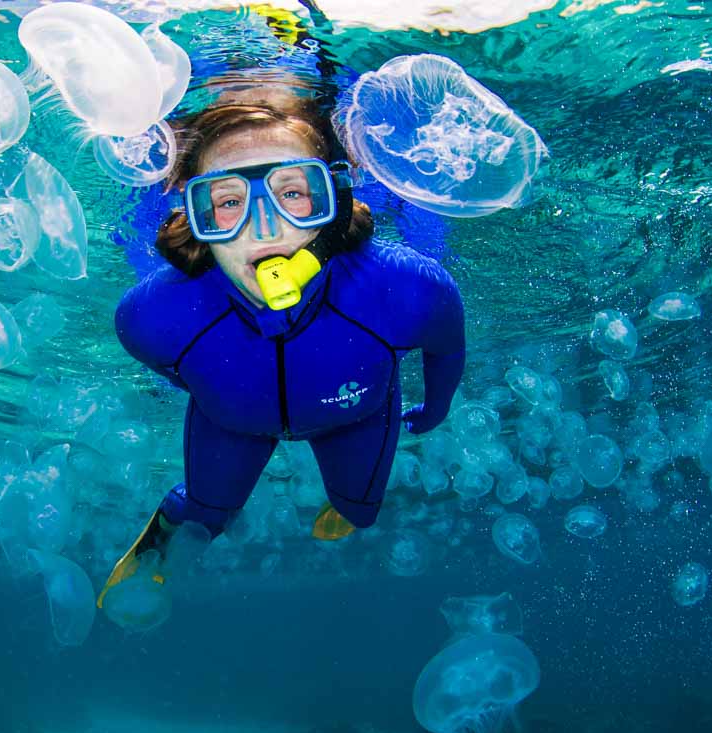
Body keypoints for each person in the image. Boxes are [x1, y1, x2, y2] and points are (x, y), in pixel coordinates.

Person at [100, 84, 466, 606]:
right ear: (195, 222)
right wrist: (217, 388)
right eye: (228, 202)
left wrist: (437, 406)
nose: (265, 225)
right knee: (205, 512)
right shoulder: (149, 316)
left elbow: (445, 347)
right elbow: (166, 365)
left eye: (293, 192)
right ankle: (160, 548)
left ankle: (345, 504)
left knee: (360, 509)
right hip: (231, 424)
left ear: (332, 202)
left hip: (355, 417)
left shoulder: (408, 289)